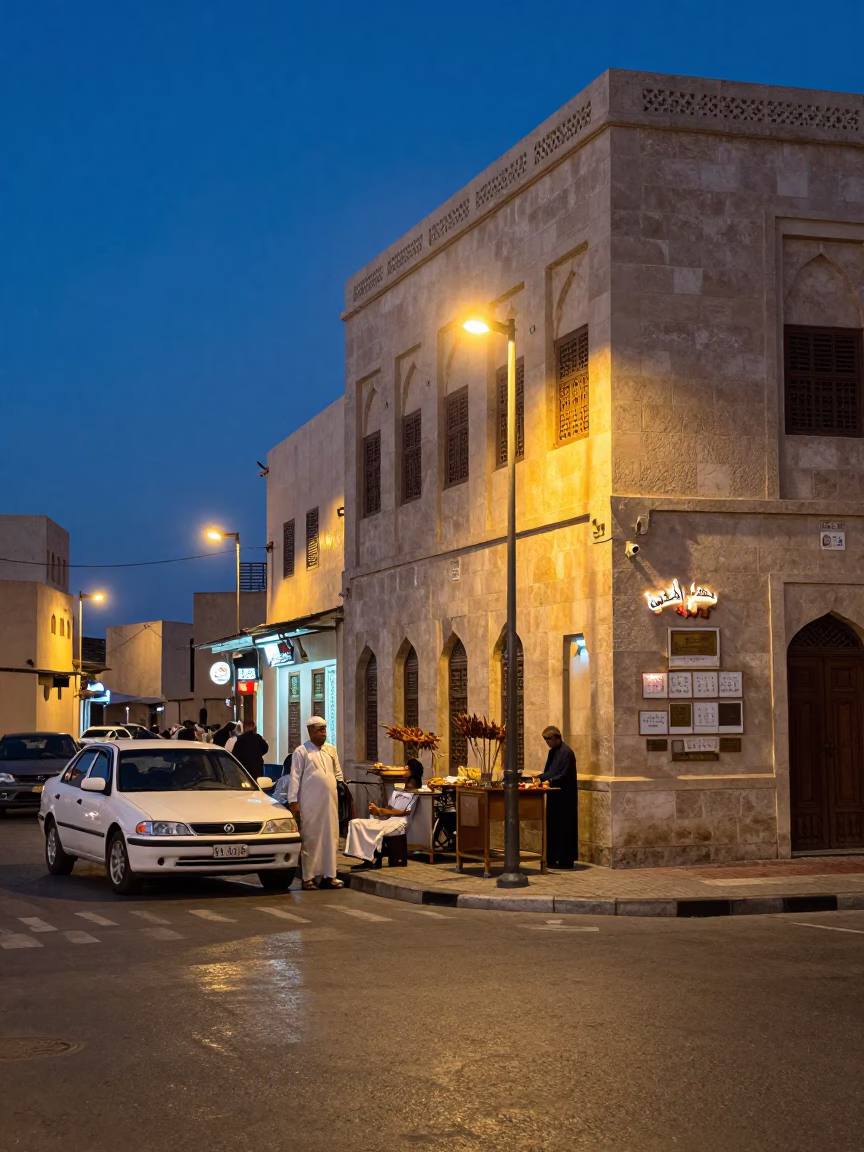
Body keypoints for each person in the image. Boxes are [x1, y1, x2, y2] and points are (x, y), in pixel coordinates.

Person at [280, 717, 345, 890]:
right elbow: (294, 777)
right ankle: (308, 878)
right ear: (310, 732)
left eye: (325, 729)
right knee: (311, 838)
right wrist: (293, 801)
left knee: (331, 837)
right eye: (319, 730)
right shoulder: (302, 752)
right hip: (310, 803)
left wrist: (342, 787)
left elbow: (338, 774)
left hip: (330, 803)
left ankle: (330, 876)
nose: (324, 733)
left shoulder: (331, 750)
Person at [343, 759, 424, 870]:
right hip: (389, 820)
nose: (404, 769)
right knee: (355, 823)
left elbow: (404, 812)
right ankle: (360, 855)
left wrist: (380, 811)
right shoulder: (398, 789)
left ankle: (371, 859)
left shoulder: (415, 792)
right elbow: (390, 808)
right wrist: (376, 810)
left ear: (413, 771)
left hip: (399, 824)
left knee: (376, 830)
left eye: (407, 768)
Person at [537, 725, 579, 869]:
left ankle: (565, 860)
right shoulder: (551, 753)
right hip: (553, 795)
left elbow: (564, 774)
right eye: (546, 740)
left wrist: (550, 781)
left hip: (565, 797)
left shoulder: (567, 753)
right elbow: (549, 771)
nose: (548, 742)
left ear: (557, 737)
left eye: (550, 739)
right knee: (553, 827)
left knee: (564, 828)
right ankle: (552, 858)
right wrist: (539, 778)